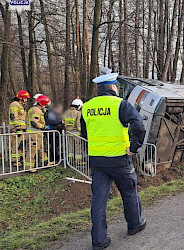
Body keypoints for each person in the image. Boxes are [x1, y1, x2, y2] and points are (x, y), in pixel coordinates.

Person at [80, 72, 146, 250]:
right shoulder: (120, 104)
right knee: (129, 191)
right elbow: (139, 125)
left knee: (98, 199)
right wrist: (133, 147)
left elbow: (84, 134)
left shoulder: (87, 107)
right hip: (119, 159)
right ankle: (135, 225)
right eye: (115, 85)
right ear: (112, 87)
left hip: (97, 161)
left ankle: (99, 240)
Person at [25, 95, 53, 172]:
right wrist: (43, 127)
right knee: (32, 150)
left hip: (36, 134)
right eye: (45, 104)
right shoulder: (37, 110)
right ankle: (29, 167)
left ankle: (45, 163)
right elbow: (34, 122)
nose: (45, 106)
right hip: (34, 134)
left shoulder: (34, 109)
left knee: (41, 149)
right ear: (42, 103)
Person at [9, 90, 31, 166]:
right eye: (25, 98)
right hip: (16, 128)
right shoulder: (14, 104)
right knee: (16, 144)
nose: (26, 100)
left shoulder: (19, 105)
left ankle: (20, 159)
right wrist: (17, 127)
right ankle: (14, 161)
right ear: (21, 98)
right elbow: (13, 116)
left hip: (21, 128)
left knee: (20, 144)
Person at [64, 98, 84, 164]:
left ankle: (70, 160)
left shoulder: (66, 112)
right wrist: (81, 131)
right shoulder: (78, 113)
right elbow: (78, 124)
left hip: (68, 132)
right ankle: (78, 161)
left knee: (70, 147)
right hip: (76, 133)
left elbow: (63, 122)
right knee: (78, 147)